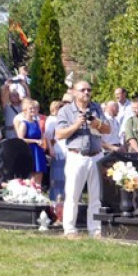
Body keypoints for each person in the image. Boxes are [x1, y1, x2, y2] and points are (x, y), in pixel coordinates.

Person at [54, 81, 109, 239]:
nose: (86, 92)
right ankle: (70, 229)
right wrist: (76, 125)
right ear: (74, 93)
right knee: (72, 194)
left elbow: (108, 129)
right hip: (76, 156)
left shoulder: (96, 108)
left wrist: (96, 123)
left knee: (96, 196)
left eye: (89, 90)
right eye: (82, 90)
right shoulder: (66, 111)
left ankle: (95, 229)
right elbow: (59, 134)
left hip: (96, 155)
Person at [13, 97, 48, 186]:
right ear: (25, 110)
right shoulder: (24, 123)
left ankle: (38, 192)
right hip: (30, 151)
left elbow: (41, 135)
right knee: (31, 177)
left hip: (38, 150)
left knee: (39, 173)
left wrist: (43, 143)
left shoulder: (37, 122)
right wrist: (35, 141)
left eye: (34, 108)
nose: (33, 110)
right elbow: (21, 139)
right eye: (30, 108)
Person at [44, 100, 67, 204]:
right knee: (58, 178)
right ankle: (56, 201)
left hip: (67, 150)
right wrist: (51, 148)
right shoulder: (52, 119)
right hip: (58, 149)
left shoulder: (64, 119)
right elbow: (48, 136)